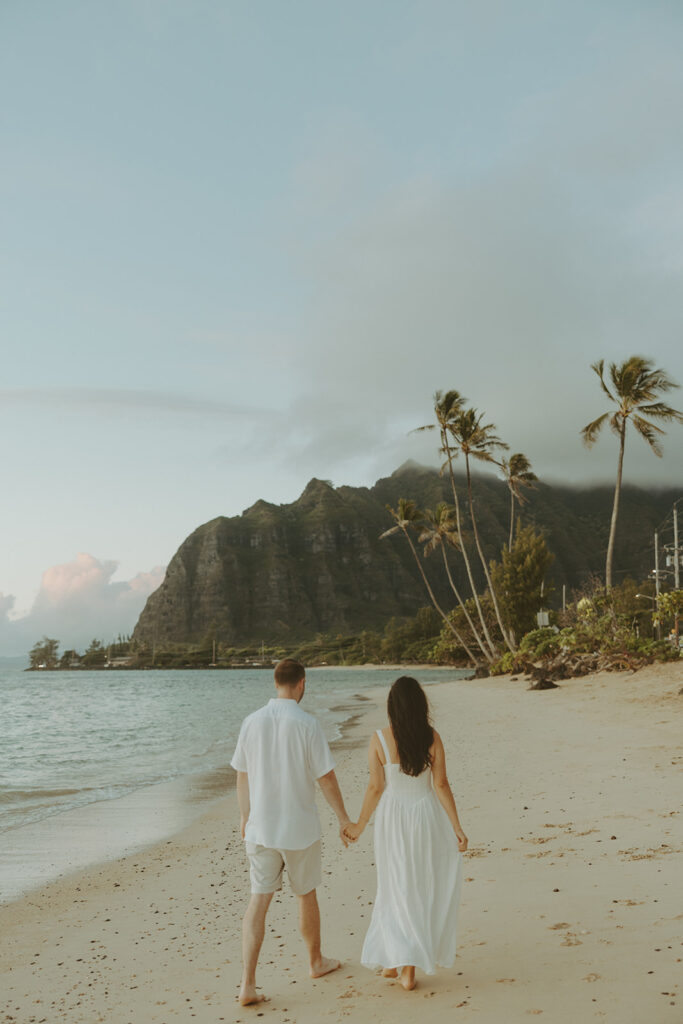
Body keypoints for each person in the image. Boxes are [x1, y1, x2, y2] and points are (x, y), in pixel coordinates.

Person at [230, 658, 351, 1006]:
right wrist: (343, 818)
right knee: (305, 894)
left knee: (259, 901)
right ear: (301, 684)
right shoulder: (308, 724)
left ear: (275, 683)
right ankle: (315, 961)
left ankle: (247, 984)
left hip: (261, 828)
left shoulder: (251, 722)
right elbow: (325, 778)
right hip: (299, 828)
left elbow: (242, 774)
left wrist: (244, 815)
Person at [344, 675, 468, 992]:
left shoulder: (379, 739)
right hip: (425, 815)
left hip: (392, 819)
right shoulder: (432, 737)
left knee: (395, 884)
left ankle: (407, 967)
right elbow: (440, 785)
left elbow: (376, 787)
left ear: (392, 708)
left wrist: (358, 825)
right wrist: (456, 826)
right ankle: (395, 959)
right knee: (418, 885)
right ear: (419, 706)